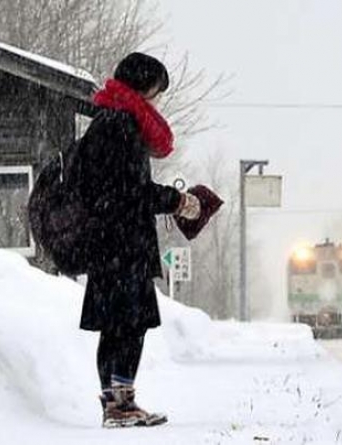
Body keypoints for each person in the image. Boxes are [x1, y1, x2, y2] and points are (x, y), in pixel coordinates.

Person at [75, 52, 200, 428]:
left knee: (117, 325)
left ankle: (117, 404)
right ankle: (121, 405)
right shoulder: (122, 126)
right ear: (143, 87)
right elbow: (132, 191)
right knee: (129, 325)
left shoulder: (107, 121)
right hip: (122, 245)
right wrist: (177, 201)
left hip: (108, 244)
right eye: (156, 92)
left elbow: (117, 189)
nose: (157, 101)